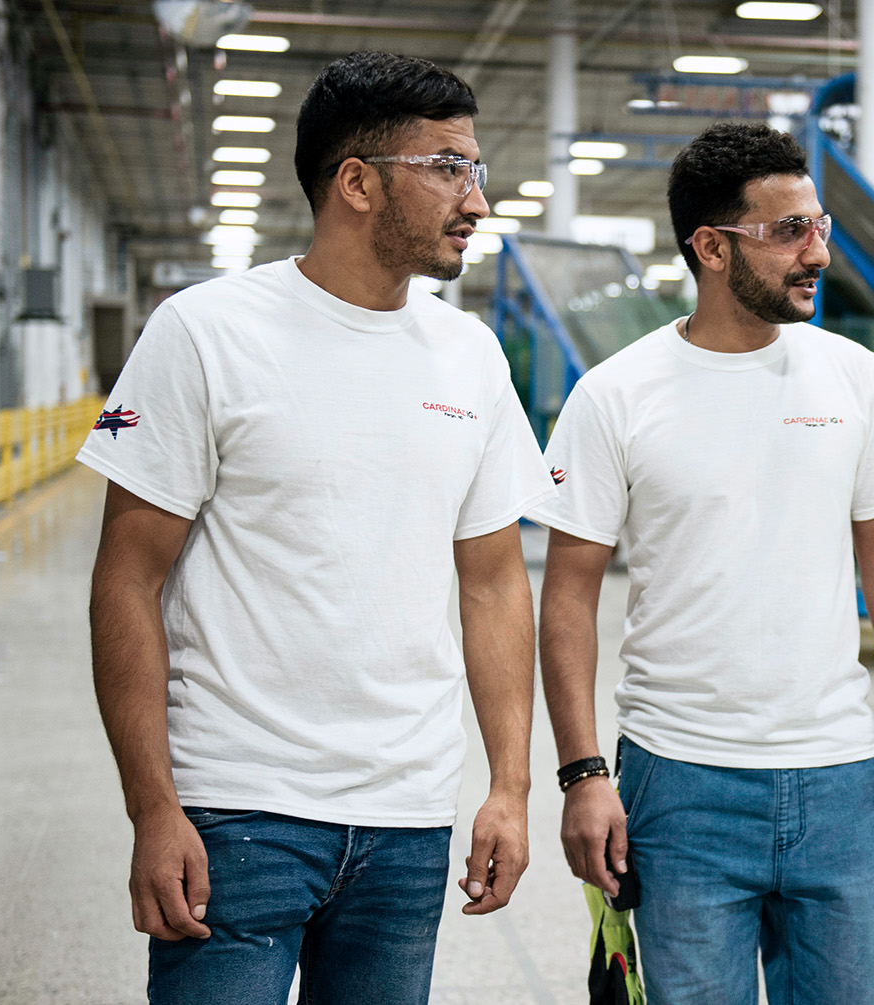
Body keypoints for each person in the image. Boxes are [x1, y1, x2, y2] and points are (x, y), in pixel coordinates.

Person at [81, 51, 554, 1004]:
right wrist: (153, 807)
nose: (476, 199)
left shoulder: (469, 355)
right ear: (357, 183)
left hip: (406, 819)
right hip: (237, 811)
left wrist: (510, 785)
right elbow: (126, 579)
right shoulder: (206, 331)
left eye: (478, 171)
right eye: (450, 167)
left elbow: (495, 581)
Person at [532, 121, 874, 1005]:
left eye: (819, 225)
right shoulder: (616, 394)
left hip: (839, 777)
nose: (817, 254)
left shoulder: (852, 376)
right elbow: (565, 596)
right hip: (679, 781)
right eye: (787, 231)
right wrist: (581, 775)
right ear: (712, 247)